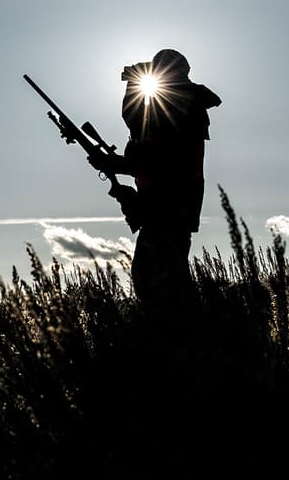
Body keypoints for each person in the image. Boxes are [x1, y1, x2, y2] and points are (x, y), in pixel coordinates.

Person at [89, 49, 221, 312]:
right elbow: (141, 136)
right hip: (171, 207)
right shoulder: (184, 107)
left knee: (157, 284)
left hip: (167, 208)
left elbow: (155, 158)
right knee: (166, 280)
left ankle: (181, 337)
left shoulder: (179, 110)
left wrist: (113, 164)